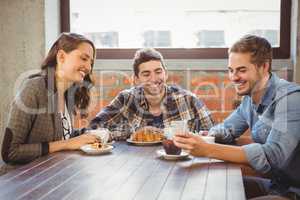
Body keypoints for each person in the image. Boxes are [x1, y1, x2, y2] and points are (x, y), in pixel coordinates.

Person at [174, 35, 300, 200]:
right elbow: (227, 129)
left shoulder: (290, 99)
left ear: (264, 66)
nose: (233, 77)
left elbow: (273, 156)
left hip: (293, 192)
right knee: (211, 186)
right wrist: (206, 137)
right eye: (231, 70)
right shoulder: (250, 98)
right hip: (276, 186)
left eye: (241, 70)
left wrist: (208, 149)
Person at [1, 33, 100, 165]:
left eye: (91, 62)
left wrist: (90, 134)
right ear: (61, 57)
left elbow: (61, 137)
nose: (88, 68)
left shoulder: (68, 94)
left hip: (52, 176)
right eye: (83, 58)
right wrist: (67, 144)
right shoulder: (34, 88)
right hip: (24, 181)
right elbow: (10, 152)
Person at [90, 48, 214, 140]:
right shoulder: (126, 99)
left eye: (158, 72)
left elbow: (213, 135)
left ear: (166, 74)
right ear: (136, 79)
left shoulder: (188, 100)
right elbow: (94, 128)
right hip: (137, 167)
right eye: (146, 74)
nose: (154, 79)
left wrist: (163, 134)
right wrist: (134, 133)